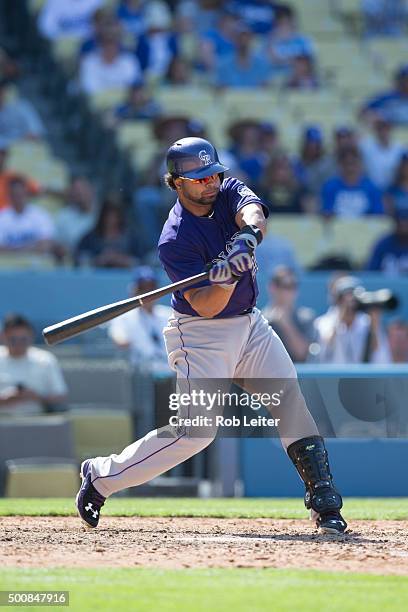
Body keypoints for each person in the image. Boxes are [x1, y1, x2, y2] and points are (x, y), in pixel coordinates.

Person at [76, 136, 347, 535]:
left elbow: (253, 212)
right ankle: (101, 476)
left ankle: (325, 505)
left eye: (212, 174)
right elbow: (206, 306)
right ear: (177, 182)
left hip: (250, 325)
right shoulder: (174, 239)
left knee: (289, 400)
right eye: (199, 178)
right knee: (196, 433)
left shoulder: (228, 189)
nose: (210, 183)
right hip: (200, 335)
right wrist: (224, 279)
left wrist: (247, 239)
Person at [0, 314, 67, 417]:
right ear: (3, 336)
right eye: (13, 339)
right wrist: (6, 399)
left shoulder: (45, 360)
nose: (18, 344)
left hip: (39, 422)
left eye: (23, 339)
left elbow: (60, 396)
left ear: (31, 336)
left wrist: (35, 397)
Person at [315, 276, 391, 364]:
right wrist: (340, 319)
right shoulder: (324, 322)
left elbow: (380, 357)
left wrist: (374, 326)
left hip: (361, 377)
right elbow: (323, 351)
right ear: (338, 300)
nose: (351, 303)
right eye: (345, 297)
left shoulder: (367, 323)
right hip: (333, 377)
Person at [108, 267, 171, 372]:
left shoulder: (168, 314)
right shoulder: (124, 317)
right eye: (143, 288)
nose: (148, 293)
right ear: (134, 290)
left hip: (171, 373)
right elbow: (119, 340)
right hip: (141, 376)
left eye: (152, 288)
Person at [262, 266, 316, 363]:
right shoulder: (260, 319)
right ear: (272, 288)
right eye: (286, 286)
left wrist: (286, 324)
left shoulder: (306, 317)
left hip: (299, 377)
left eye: (294, 286)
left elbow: (302, 354)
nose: (291, 292)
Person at [0, 176, 57, 255]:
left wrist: (15, 250)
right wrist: (28, 249)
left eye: (20, 193)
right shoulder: (2, 217)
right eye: (15, 194)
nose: (18, 198)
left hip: (36, 264)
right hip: (9, 264)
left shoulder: (40, 215)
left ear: (26, 193)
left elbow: (46, 244)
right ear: (10, 196)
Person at [321, 146, 384, 217]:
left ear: (359, 164)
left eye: (353, 163)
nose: (350, 168)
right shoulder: (330, 187)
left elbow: (377, 216)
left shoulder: (371, 188)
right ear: (340, 165)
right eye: (346, 164)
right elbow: (326, 213)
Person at [79, 25, 141, 94]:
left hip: (123, 101)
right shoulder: (89, 62)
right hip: (99, 101)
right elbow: (89, 89)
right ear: (99, 44)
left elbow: (134, 85)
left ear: (118, 44)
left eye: (113, 42)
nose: (110, 46)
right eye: (106, 42)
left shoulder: (129, 60)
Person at [76, 200, 139, 267]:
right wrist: (98, 260)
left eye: (115, 216)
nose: (111, 220)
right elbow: (80, 257)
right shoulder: (91, 238)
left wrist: (121, 259)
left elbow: (141, 261)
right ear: (102, 217)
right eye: (108, 216)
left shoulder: (131, 238)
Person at [359, 114, 404, 191]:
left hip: (394, 191)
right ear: (375, 129)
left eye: (385, 127)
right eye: (379, 128)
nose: (383, 131)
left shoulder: (400, 149)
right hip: (371, 189)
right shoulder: (365, 147)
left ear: (390, 128)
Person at [55, 175, 97, 254]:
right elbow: (56, 243)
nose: (80, 194)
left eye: (83, 190)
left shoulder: (103, 214)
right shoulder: (63, 216)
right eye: (76, 191)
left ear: (92, 190)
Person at [0, 79, 45, 143]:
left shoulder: (22, 107)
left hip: (23, 147)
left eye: (2, 92)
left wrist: (19, 140)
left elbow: (36, 131)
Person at [366, 207, 408, 274]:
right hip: (385, 284)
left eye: (406, 224)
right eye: (401, 224)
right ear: (396, 224)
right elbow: (371, 272)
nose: (404, 228)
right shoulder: (383, 244)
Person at [0, 144, 41, 210]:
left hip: (10, 217)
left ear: (6, 156)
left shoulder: (14, 176)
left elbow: (37, 190)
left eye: (2, 154)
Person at [38, 0, 103, 40]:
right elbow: (46, 28)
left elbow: (100, 25)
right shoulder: (55, 2)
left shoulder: (95, 2)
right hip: (60, 41)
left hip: (90, 42)